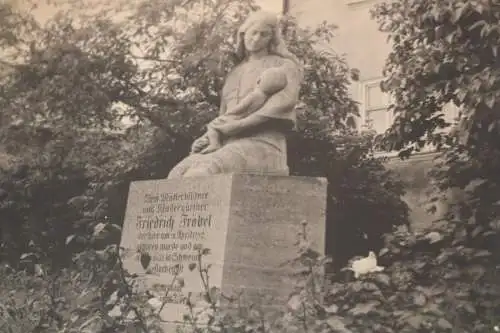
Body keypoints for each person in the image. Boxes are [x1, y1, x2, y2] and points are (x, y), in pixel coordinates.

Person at [167, 10, 303, 179]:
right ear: (243, 34)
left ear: (272, 38)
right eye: (254, 33)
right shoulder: (234, 73)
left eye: (264, 35)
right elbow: (225, 116)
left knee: (201, 173)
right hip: (227, 144)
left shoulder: (284, 66)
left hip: (264, 146)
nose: (257, 39)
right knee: (177, 174)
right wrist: (207, 138)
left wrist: (239, 126)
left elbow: (283, 104)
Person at [193, 66, 289, 154]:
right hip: (240, 121)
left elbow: (241, 108)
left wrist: (229, 115)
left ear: (259, 80)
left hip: (236, 119)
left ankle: (214, 144)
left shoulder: (254, 95)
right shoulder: (264, 98)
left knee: (212, 125)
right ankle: (206, 142)